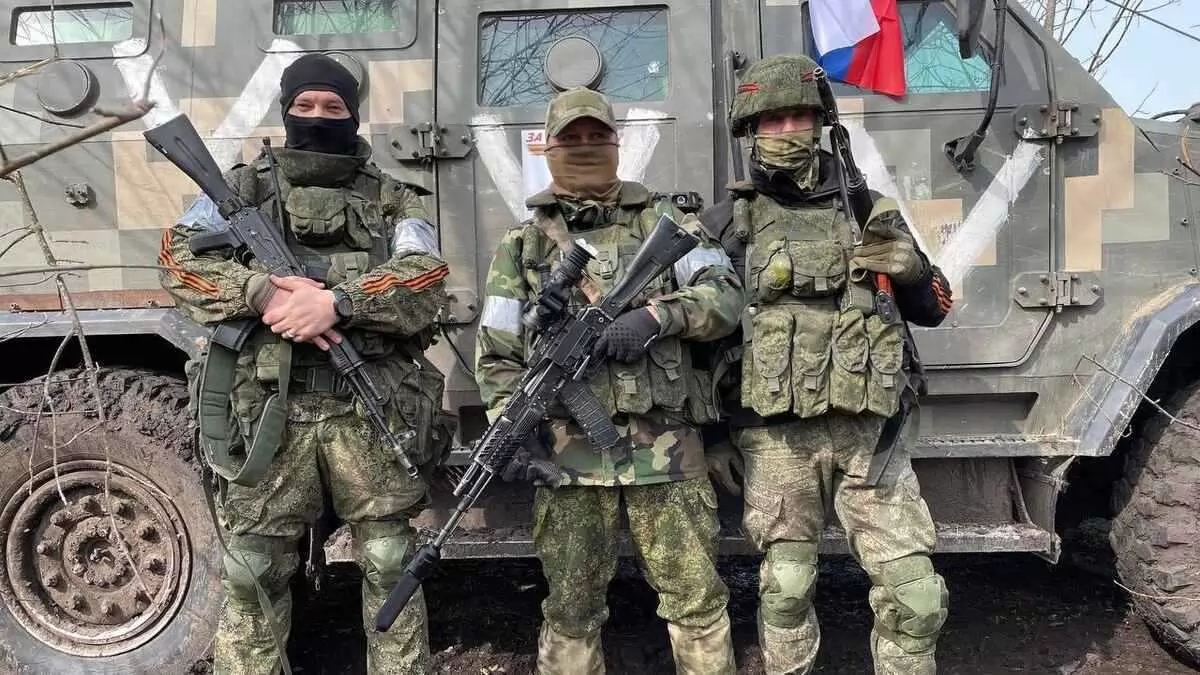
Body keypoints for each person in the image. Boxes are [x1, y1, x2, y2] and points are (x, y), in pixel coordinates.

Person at [158, 53, 452, 675]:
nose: (319, 115)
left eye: (334, 106)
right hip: (266, 411)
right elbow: (179, 262)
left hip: (367, 408)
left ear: (354, 115)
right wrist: (260, 293)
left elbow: (424, 277)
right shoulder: (240, 188)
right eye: (305, 104)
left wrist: (337, 304)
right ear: (286, 110)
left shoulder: (394, 196)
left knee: (391, 561)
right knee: (253, 570)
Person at [699, 54, 956, 675]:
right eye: (772, 120)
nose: (787, 131)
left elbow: (935, 306)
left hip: (873, 436)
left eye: (799, 117)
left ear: (821, 124)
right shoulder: (725, 223)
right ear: (750, 130)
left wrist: (913, 270)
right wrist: (711, 437)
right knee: (785, 591)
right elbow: (701, 344)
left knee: (917, 597)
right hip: (776, 440)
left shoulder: (869, 209)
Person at [474, 86, 744, 675]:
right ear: (548, 148)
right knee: (571, 611)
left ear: (616, 143)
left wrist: (655, 317)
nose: (586, 147)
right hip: (568, 460)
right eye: (571, 138)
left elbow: (726, 298)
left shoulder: (666, 223)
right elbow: (496, 353)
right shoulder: (522, 245)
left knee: (696, 602)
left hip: (667, 450)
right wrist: (507, 428)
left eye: (597, 136)